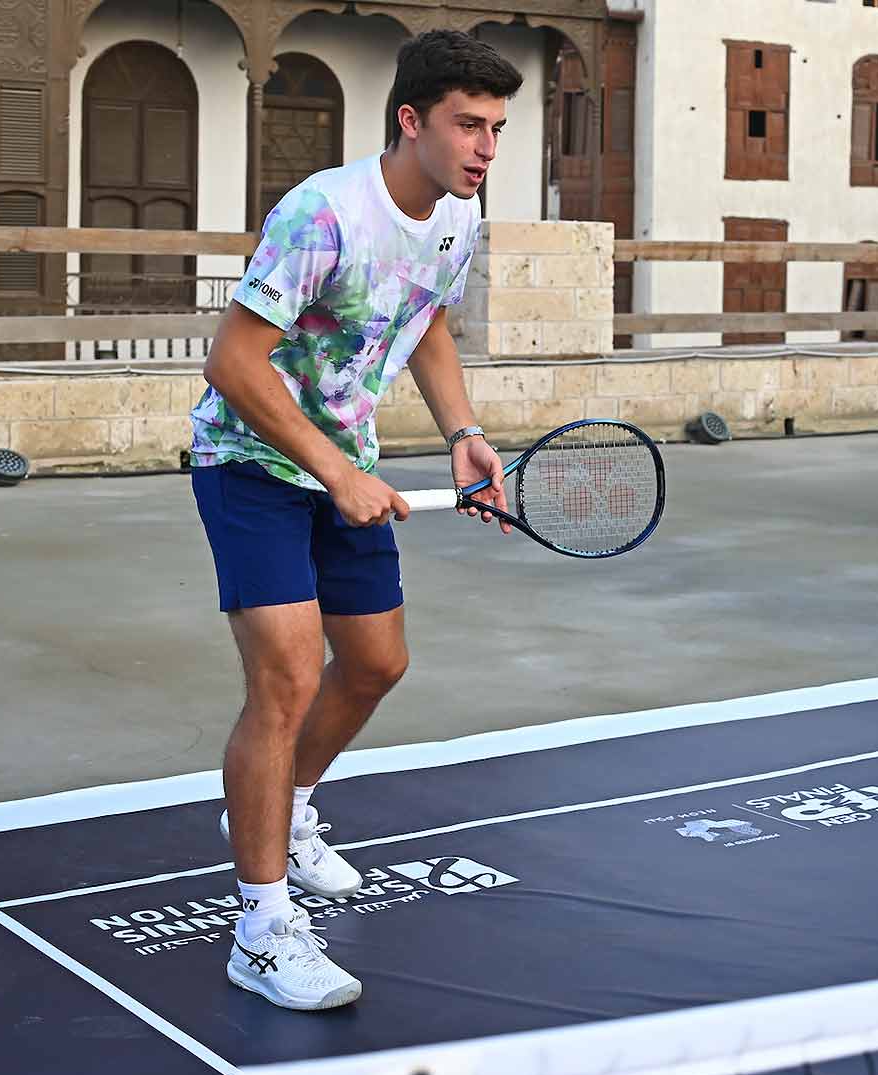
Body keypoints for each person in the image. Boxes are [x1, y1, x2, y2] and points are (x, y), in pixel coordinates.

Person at [187, 29, 521, 1009]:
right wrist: (333, 470)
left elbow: (426, 323)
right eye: (469, 125)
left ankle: (285, 808)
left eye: (498, 130)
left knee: (376, 665)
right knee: (286, 678)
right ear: (411, 120)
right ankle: (260, 924)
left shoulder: (457, 220)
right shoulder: (322, 215)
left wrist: (460, 428)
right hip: (249, 462)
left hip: (347, 469)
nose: (485, 149)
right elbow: (234, 362)